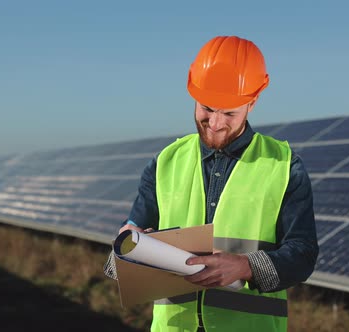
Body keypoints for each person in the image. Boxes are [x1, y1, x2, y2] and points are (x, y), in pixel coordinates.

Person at [107, 35, 319, 332]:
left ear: (252, 101)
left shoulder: (284, 166)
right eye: (206, 108)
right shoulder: (164, 163)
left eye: (229, 113)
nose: (216, 123)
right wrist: (125, 250)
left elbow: (304, 253)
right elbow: (120, 261)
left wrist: (246, 267)